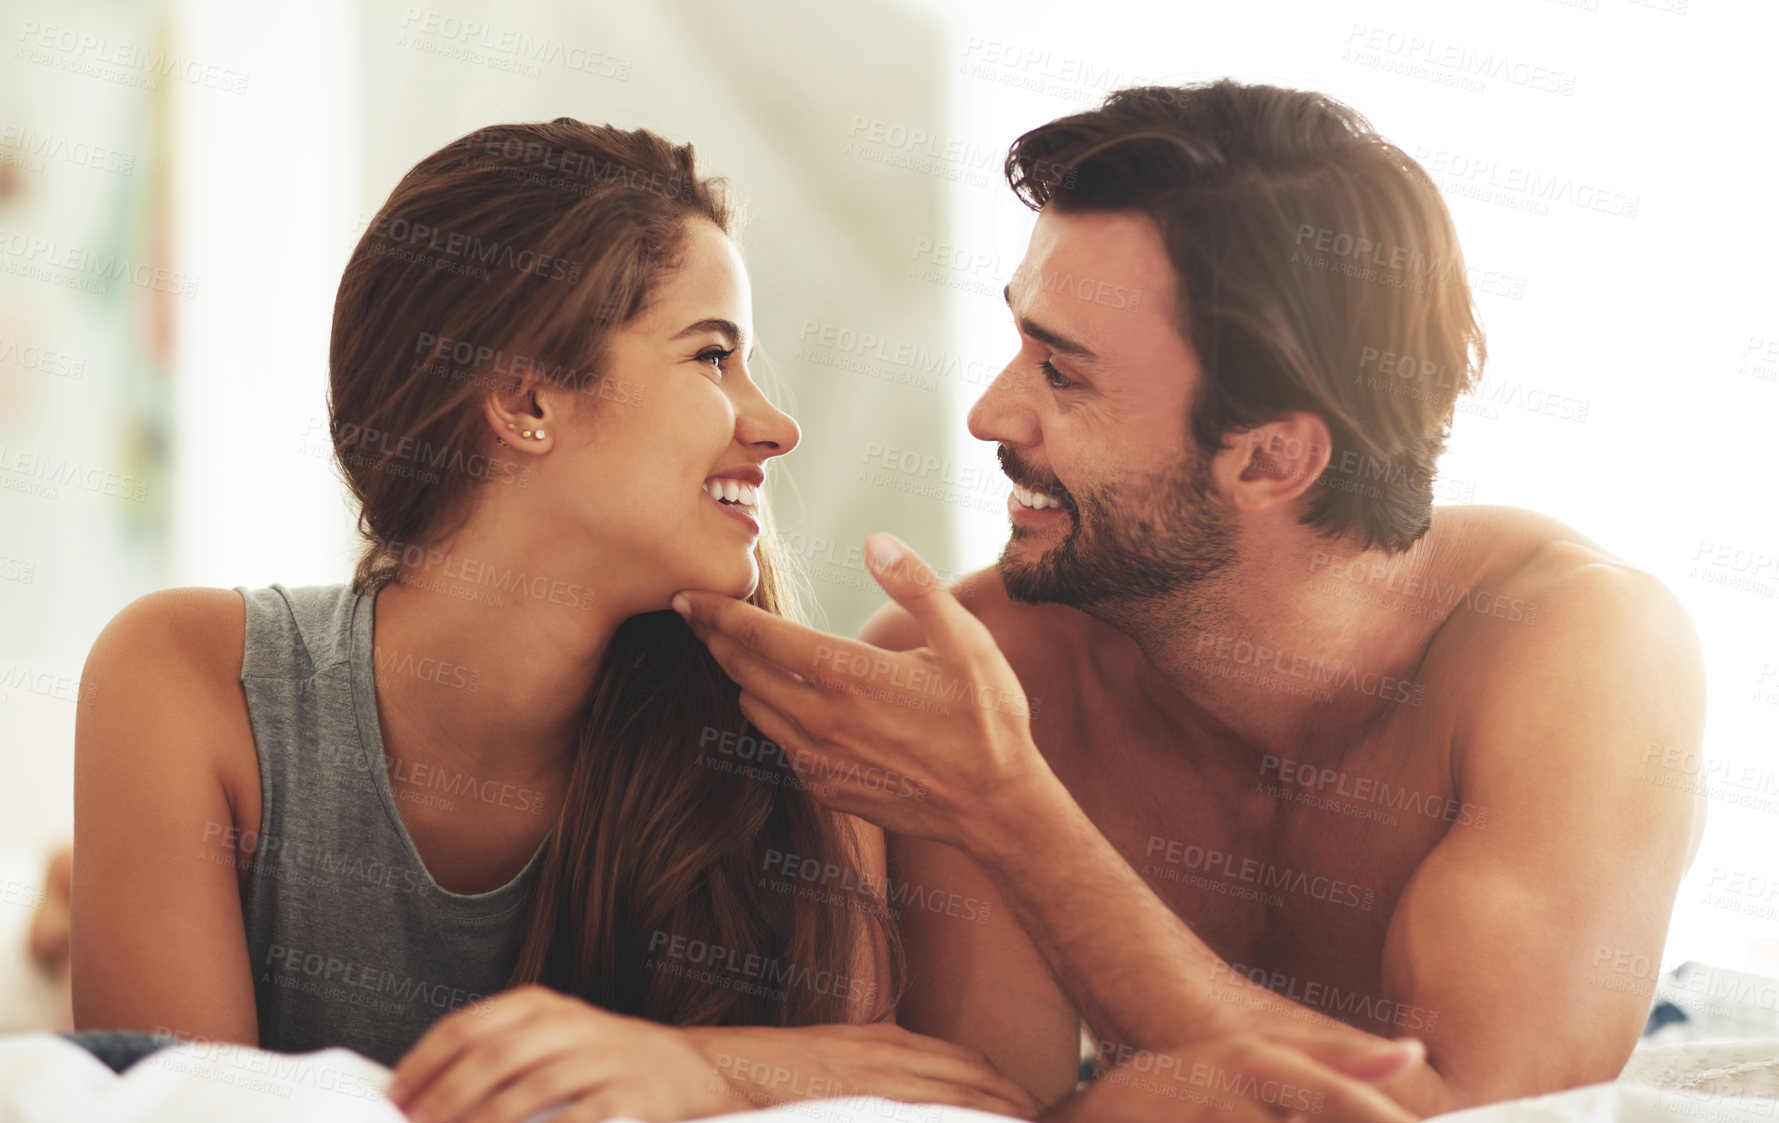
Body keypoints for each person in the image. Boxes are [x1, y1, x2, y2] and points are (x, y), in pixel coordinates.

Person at [674, 80, 1708, 1119]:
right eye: (1020, 340)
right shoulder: (981, 675)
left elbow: (1469, 1111)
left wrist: (1012, 811)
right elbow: (989, 1104)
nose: (991, 412)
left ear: (1270, 459)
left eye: (1062, 375)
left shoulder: (1580, 650)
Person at [66, 118, 1044, 1123]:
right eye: (713, 357)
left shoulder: (797, 746)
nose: (776, 424)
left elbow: (952, 1098)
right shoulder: (189, 683)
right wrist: (738, 1066)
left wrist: (688, 1068)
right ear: (527, 398)